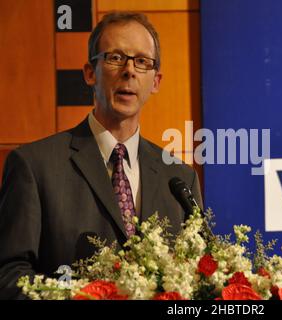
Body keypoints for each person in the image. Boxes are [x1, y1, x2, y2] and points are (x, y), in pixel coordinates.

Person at [0, 12, 202, 299]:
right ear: (89, 72)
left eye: (142, 62)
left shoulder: (180, 177)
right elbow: (9, 275)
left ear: (155, 81)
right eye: (115, 58)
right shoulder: (35, 166)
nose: (129, 70)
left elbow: (197, 277)